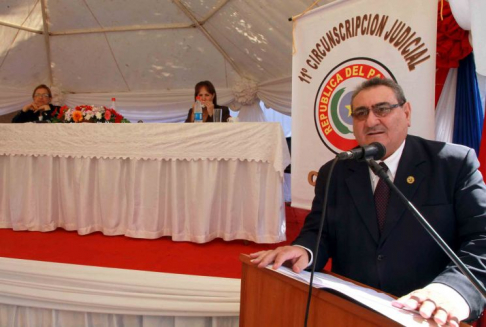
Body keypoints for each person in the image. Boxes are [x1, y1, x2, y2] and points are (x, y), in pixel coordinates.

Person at [250, 77, 486, 326]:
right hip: (351, 313)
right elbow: (320, 233)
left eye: (382, 109)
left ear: (406, 113)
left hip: (426, 316)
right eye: (360, 113)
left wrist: (451, 290)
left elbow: (481, 239)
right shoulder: (336, 171)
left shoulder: (453, 164)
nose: (371, 121)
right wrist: (304, 250)